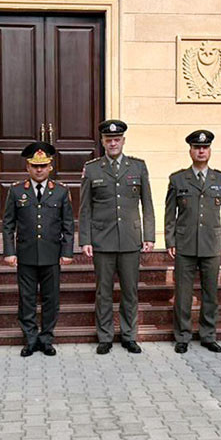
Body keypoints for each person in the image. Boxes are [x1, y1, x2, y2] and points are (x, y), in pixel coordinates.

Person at [79, 119, 155, 355]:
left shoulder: (138, 167)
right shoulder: (92, 169)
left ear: (123, 141)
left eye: (117, 139)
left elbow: (147, 204)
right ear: (102, 142)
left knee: (130, 290)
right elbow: (85, 208)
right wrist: (85, 239)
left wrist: (149, 235)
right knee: (103, 291)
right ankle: (104, 336)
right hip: (102, 239)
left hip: (131, 239)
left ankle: (129, 335)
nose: (113, 143)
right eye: (108, 140)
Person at [2, 142, 75, 358]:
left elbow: (68, 225)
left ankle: (46, 338)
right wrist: (9, 251)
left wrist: (67, 252)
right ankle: (31, 338)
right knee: (27, 298)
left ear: (50, 166)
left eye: (43, 166)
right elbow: (8, 224)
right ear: (27, 167)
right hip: (26, 254)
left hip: (52, 255)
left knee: (51, 298)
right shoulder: (16, 191)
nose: (39, 170)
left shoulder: (61, 191)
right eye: (35, 166)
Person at [164, 130, 221, 354]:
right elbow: (169, 213)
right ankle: (183, 335)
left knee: (210, 293)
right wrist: (170, 240)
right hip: (185, 245)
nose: (201, 151)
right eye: (197, 147)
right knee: (183, 294)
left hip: (212, 244)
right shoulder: (177, 179)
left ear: (210, 150)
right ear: (190, 151)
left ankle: (208, 335)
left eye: (204, 147)